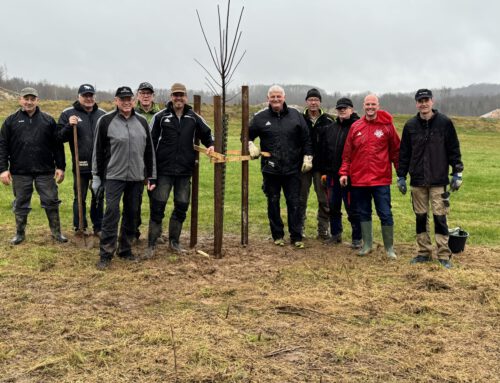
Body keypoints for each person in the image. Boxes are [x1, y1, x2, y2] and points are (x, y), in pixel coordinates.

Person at [145, 83, 214, 257]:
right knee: (157, 207)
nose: (178, 98)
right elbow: (150, 145)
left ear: (186, 97)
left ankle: (174, 242)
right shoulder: (161, 117)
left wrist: (211, 145)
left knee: (182, 206)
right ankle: (151, 244)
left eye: (181, 95)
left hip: (184, 172)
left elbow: (207, 133)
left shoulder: (193, 117)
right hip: (163, 172)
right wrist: (150, 174)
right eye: (175, 95)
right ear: (171, 97)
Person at [397, 89, 464, 268]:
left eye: (426, 100)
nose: (423, 104)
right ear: (416, 103)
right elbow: (404, 153)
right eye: (420, 101)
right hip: (417, 180)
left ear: (432, 102)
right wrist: (401, 176)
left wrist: (457, 172)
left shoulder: (444, 123)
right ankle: (424, 252)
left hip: (438, 180)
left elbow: (453, 150)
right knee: (420, 217)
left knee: (440, 217)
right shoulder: (410, 126)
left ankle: (443, 254)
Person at [92, 86, 156, 270]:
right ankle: (106, 254)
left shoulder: (142, 122)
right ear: (116, 101)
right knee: (111, 212)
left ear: (134, 100)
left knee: (132, 213)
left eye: (129, 99)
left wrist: (150, 175)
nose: (126, 102)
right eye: (123, 99)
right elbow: (98, 150)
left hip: (136, 177)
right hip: (114, 176)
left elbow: (148, 151)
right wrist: (97, 176)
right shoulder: (105, 121)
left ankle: (125, 249)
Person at [0, 87, 67, 244]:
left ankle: (56, 233)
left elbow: (57, 145)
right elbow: (2, 146)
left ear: (38, 100)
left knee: (51, 201)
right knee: (21, 203)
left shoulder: (48, 120)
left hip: (45, 170)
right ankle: (20, 234)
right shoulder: (10, 121)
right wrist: (3, 169)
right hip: (20, 171)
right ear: (20, 100)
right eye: (26, 98)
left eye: (32, 99)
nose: (29, 102)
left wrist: (60, 167)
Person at [248, 85, 313, 249]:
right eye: (273, 97)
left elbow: (306, 139)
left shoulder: (296, 116)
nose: (276, 99)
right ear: (268, 98)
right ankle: (277, 235)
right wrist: (250, 145)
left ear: (284, 97)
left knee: (294, 203)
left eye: (279, 96)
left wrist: (308, 157)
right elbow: (246, 134)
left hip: (293, 168)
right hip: (271, 169)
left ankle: (296, 236)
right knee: (273, 201)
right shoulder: (260, 118)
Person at [339, 94, 400, 258]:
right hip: (359, 180)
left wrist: (400, 174)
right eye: (367, 104)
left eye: (373, 104)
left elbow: (396, 151)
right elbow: (347, 155)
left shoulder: (387, 126)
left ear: (378, 105)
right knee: (363, 213)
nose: (370, 107)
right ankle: (367, 245)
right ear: (363, 106)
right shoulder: (356, 127)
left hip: (380, 179)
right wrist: (344, 172)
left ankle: (389, 248)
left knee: (385, 213)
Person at [58, 84, 106, 236]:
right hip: (81, 164)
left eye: (91, 95)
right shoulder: (68, 113)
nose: (89, 98)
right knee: (80, 196)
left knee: (98, 196)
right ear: (79, 97)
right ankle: (80, 227)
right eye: (85, 95)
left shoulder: (103, 114)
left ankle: (98, 227)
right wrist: (68, 125)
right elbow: (58, 137)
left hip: (99, 165)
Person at [317, 97, 362, 248]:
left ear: (352, 109)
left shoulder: (358, 127)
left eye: (345, 108)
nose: (342, 110)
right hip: (331, 174)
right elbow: (323, 151)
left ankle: (357, 237)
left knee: (352, 207)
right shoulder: (331, 128)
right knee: (333, 206)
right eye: (339, 108)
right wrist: (324, 172)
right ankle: (336, 234)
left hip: (351, 176)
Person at [299, 88, 332, 240]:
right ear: (306, 102)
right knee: (300, 198)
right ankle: (299, 228)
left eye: (316, 100)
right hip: (303, 166)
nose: (313, 102)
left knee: (324, 199)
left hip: (322, 167)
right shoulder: (299, 119)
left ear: (320, 102)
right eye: (310, 100)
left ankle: (323, 230)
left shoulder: (328, 120)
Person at [133, 82, 162, 242]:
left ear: (153, 96)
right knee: (134, 201)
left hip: (154, 164)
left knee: (156, 200)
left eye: (148, 93)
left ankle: (155, 233)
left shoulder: (160, 114)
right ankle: (133, 232)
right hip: (136, 162)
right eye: (143, 93)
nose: (145, 96)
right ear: (138, 95)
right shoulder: (130, 112)